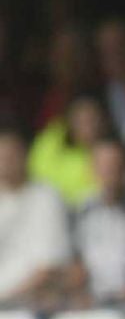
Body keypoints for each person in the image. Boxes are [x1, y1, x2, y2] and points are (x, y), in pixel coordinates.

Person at [65, 137, 125, 306]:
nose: (108, 172)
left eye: (114, 165)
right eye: (102, 166)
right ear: (91, 170)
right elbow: (74, 265)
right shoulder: (80, 210)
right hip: (91, 302)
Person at [0, 122, 72, 308]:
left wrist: (5, 300)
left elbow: (48, 269)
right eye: (2, 154)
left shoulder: (46, 198)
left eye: (12, 154)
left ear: (26, 154)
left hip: (30, 306)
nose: (6, 160)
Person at [28, 92, 111, 209]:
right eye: (81, 121)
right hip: (53, 209)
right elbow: (37, 176)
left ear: (102, 122)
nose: (88, 127)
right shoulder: (52, 143)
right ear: (70, 123)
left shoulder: (110, 154)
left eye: (92, 120)